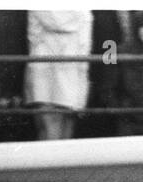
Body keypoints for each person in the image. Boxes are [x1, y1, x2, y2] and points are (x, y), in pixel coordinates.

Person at [25, 10, 93, 140]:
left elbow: (33, 36)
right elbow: (90, 43)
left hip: (45, 65)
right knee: (66, 121)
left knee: (48, 124)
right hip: (75, 66)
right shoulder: (86, 10)